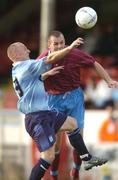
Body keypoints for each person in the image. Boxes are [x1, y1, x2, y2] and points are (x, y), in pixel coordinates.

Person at [7, 41, 107, 180]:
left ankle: (87, 158)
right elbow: (51, 58)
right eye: (25, 49)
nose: (29, 50)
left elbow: (31, 83)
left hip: (45, 114)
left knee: (72, 123)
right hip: (37, 119)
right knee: (48, 157)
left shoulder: (18, 70)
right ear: (17, 54)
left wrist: (46, 75)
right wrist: (70, 48)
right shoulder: (26, 66)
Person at [37, 30, 118, 180]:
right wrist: (45, 76)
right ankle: (54, 176)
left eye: (62, 42)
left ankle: (76, 171)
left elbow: (94, 63)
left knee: (78, 137)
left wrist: (108, 80)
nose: (60, 46)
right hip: (53, 99)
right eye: (56, 44)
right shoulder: (43, 58)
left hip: (74, 97)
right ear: (49, 45)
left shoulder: (74, 54)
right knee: (55, 143)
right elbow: (33, 77)